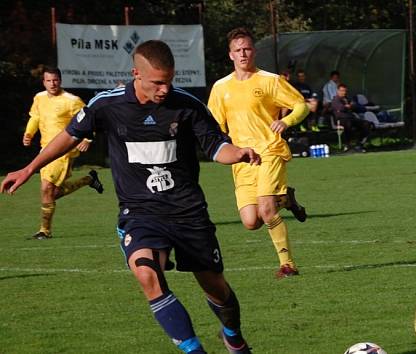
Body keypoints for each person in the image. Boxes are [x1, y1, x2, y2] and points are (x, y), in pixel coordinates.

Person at [2, 40, 257, 354]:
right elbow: (69, 136)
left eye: (170, 81)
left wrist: (239, 153)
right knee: (147, 273)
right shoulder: (107, 105)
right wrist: (29, 168)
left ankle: (233, 336)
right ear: (136, 73)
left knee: (215, 287)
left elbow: (218, 147)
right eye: (157, 82)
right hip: (140, 212)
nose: (165, 89)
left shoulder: (187, 105)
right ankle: (195, 351)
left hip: (187, 211)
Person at [208, 27, 309, 278]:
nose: (243, 53)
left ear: (254, 51)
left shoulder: (270, 80)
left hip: (270, 151)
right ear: (230, 55)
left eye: (247, 48)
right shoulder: (221, 88)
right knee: (251, 221)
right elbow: (214, 126)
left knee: (266, 210)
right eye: (237, 50)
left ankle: (288, 265)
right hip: (242, 159)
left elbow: (301, 105)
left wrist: (286, 122)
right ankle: (286, 199)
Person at [23, 66, 103, 240]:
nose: (52, 84)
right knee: (52, 193)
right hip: (45, 150)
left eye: (55, 80)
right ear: (43, 82)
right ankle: (88, 180)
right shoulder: (39, 98)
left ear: (60, 80)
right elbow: (35, 117)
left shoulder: (72, 100)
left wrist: (87, 139)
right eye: (49, 80)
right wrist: (29, 133)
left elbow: (91, 119)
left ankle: (44, 230)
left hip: (64, 151)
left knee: (46, 189)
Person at [331, 83, 372, 152]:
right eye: (342, 91)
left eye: (345, 91)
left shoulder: (347, 99)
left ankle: (359, 144)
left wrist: (350, 106)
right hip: (341, 120)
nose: (343, 92)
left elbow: (355, 105)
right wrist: (347, 106)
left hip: (351, 118)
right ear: (338, 91)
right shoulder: (335, 100)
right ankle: (348, 144)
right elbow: (340, 108)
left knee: (366, 124)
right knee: (348, 124)